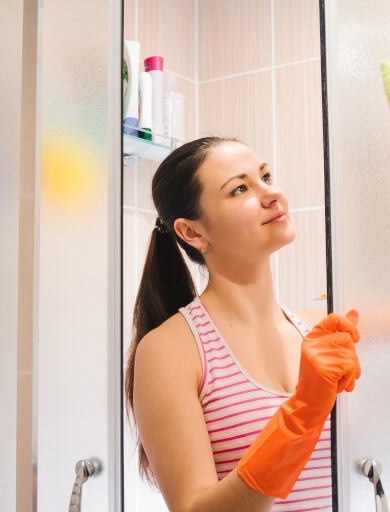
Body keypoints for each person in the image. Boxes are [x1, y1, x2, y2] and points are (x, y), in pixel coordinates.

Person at [125, 136, 361, 511]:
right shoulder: (169, 351)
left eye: (266, 176)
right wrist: (302, 412)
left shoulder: (323, 332)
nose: (271, 194)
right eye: (240, 189)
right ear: (193, 233)